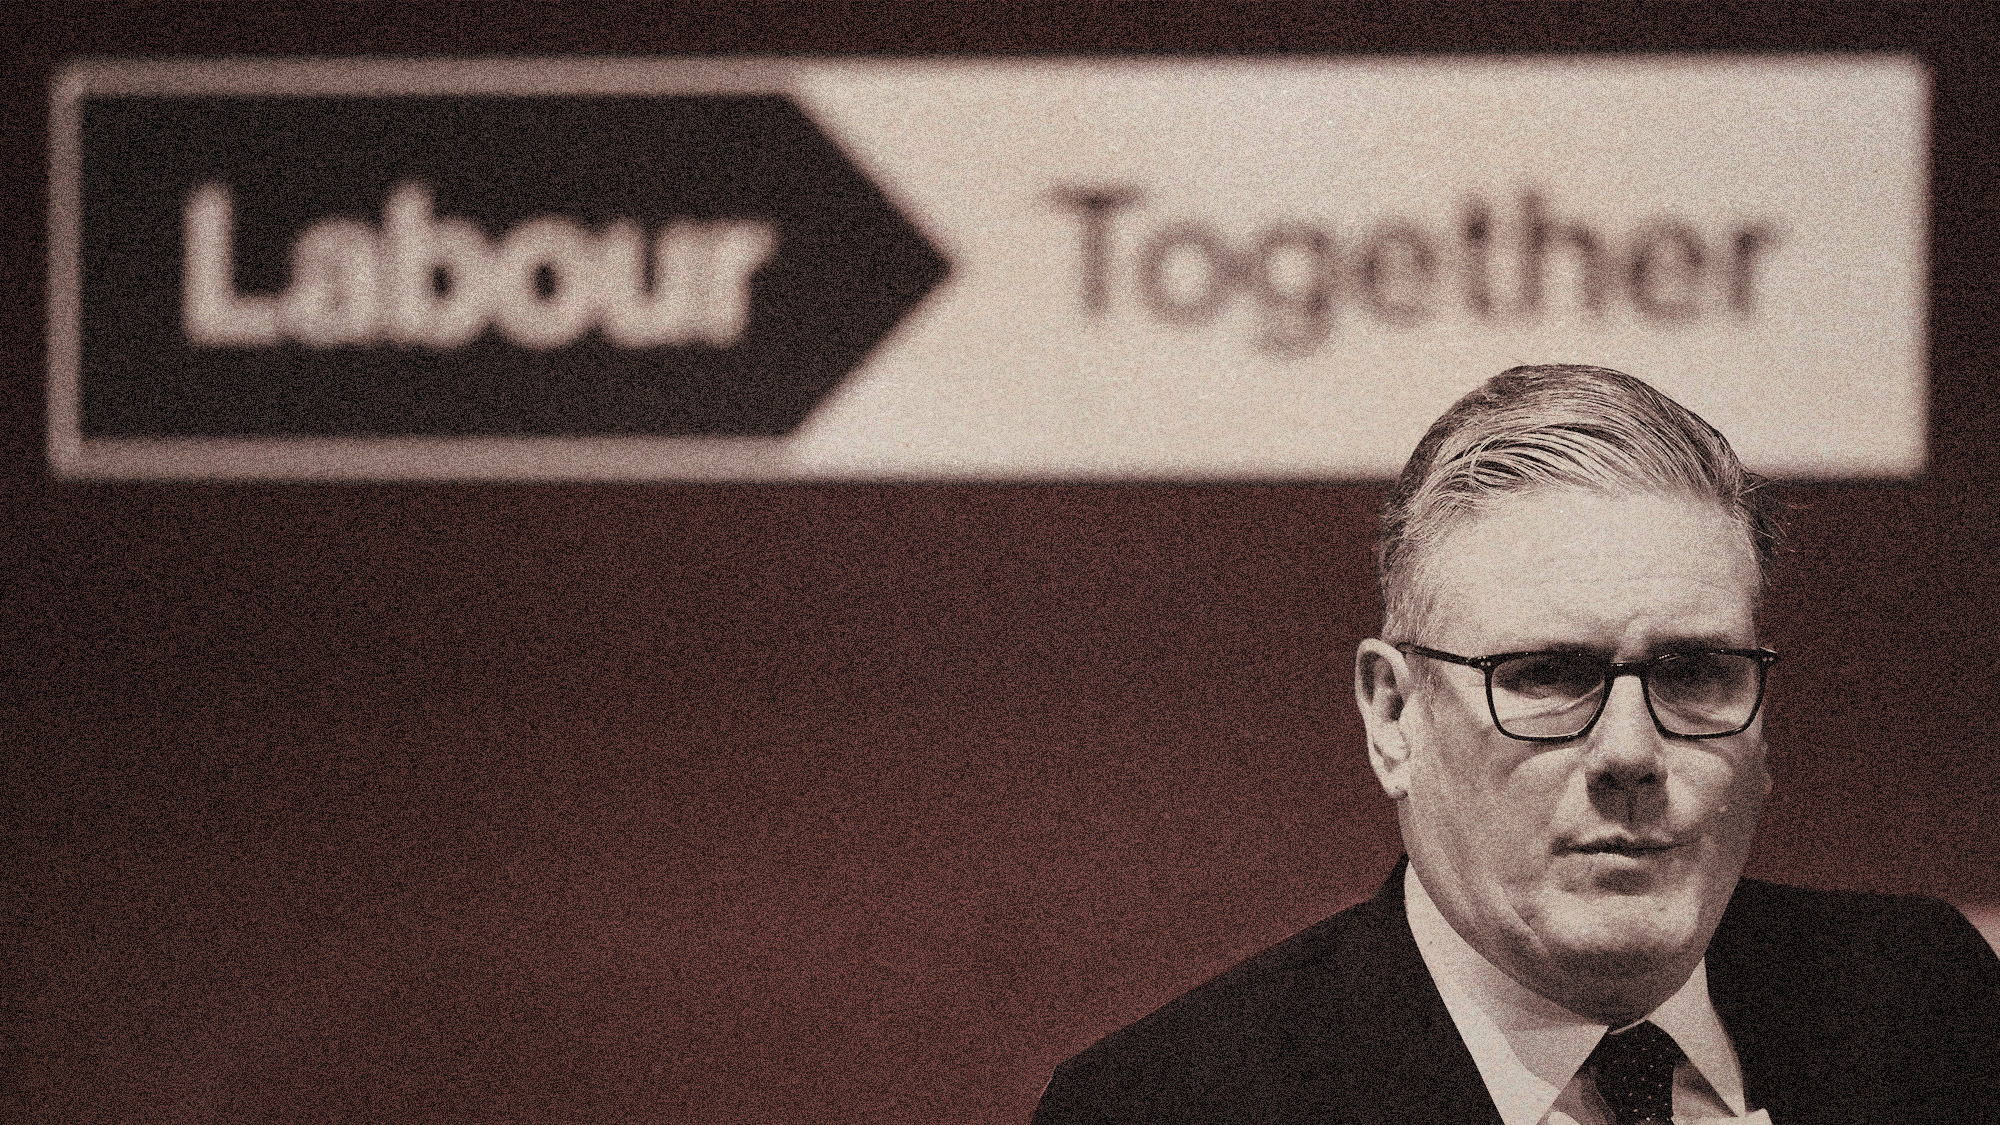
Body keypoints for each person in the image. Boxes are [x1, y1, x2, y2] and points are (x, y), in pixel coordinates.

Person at [1032, 365, 2000, 1125]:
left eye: (1694, 673)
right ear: (1391, 717)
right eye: (1544, 675)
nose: (1630, 750)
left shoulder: (1924, 1004)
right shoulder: (1174, 1107)